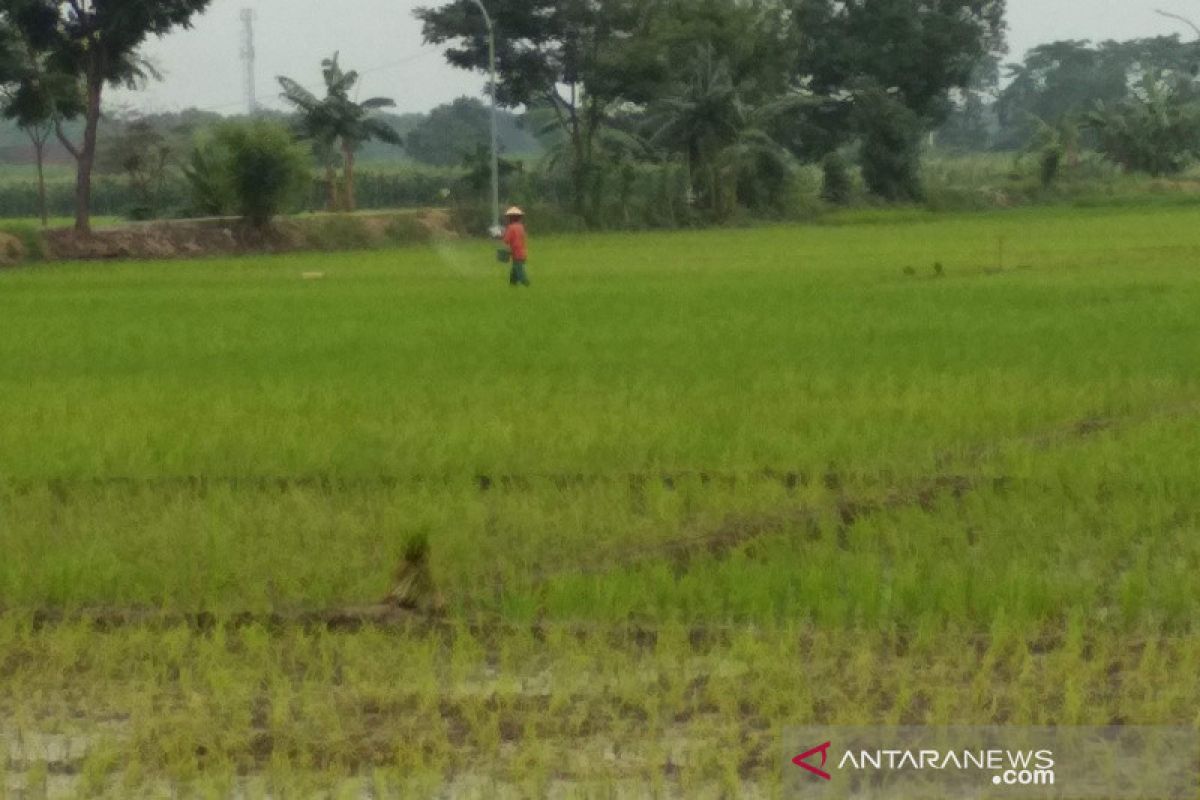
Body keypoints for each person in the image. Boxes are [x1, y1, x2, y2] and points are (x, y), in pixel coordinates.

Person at [500, 207, 530, 287]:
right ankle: (512, 285)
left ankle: (526, 284)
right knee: (514, 270)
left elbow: (506, 240)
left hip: (516, 253)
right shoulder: (521, 227)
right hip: (522, 252)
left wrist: (501, 235)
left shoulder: (511, 228)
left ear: (511, 218)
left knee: (519, 271)